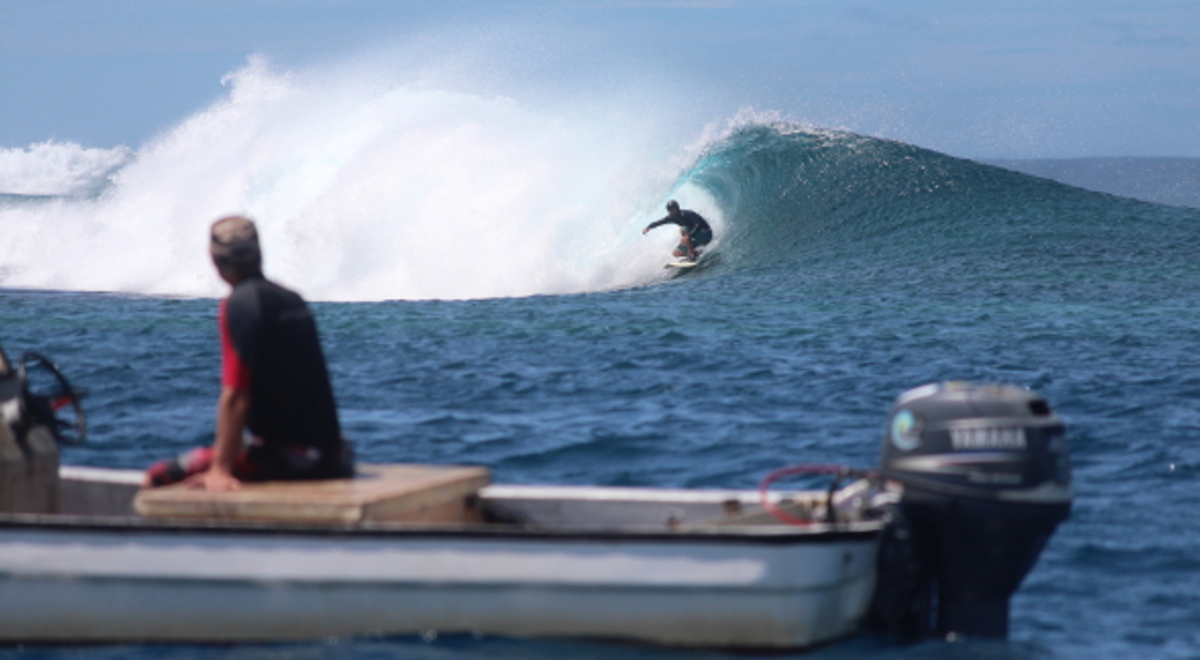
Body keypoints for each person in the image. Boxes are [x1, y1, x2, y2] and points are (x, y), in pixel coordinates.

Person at [144, 216, 353, 491]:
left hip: (291, 460)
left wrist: (220, 469)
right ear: (259, 253)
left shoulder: (240, 304)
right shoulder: (291, 298)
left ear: (215, 259)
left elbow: (236, 395)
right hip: (333, 457)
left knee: (159, 476)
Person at [642, 200, 713, 262]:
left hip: (705, 233)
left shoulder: (687, 214)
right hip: (696, 237)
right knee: (676, 253)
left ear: (677, 208)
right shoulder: (671, 217)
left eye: (673, 209)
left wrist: (689, 236)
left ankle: (692, 256)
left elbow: (698, 225)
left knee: (682, 229)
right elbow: (659, 222)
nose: (671, 211)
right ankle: (695, 253)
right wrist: (648, 227)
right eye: (669, 210)